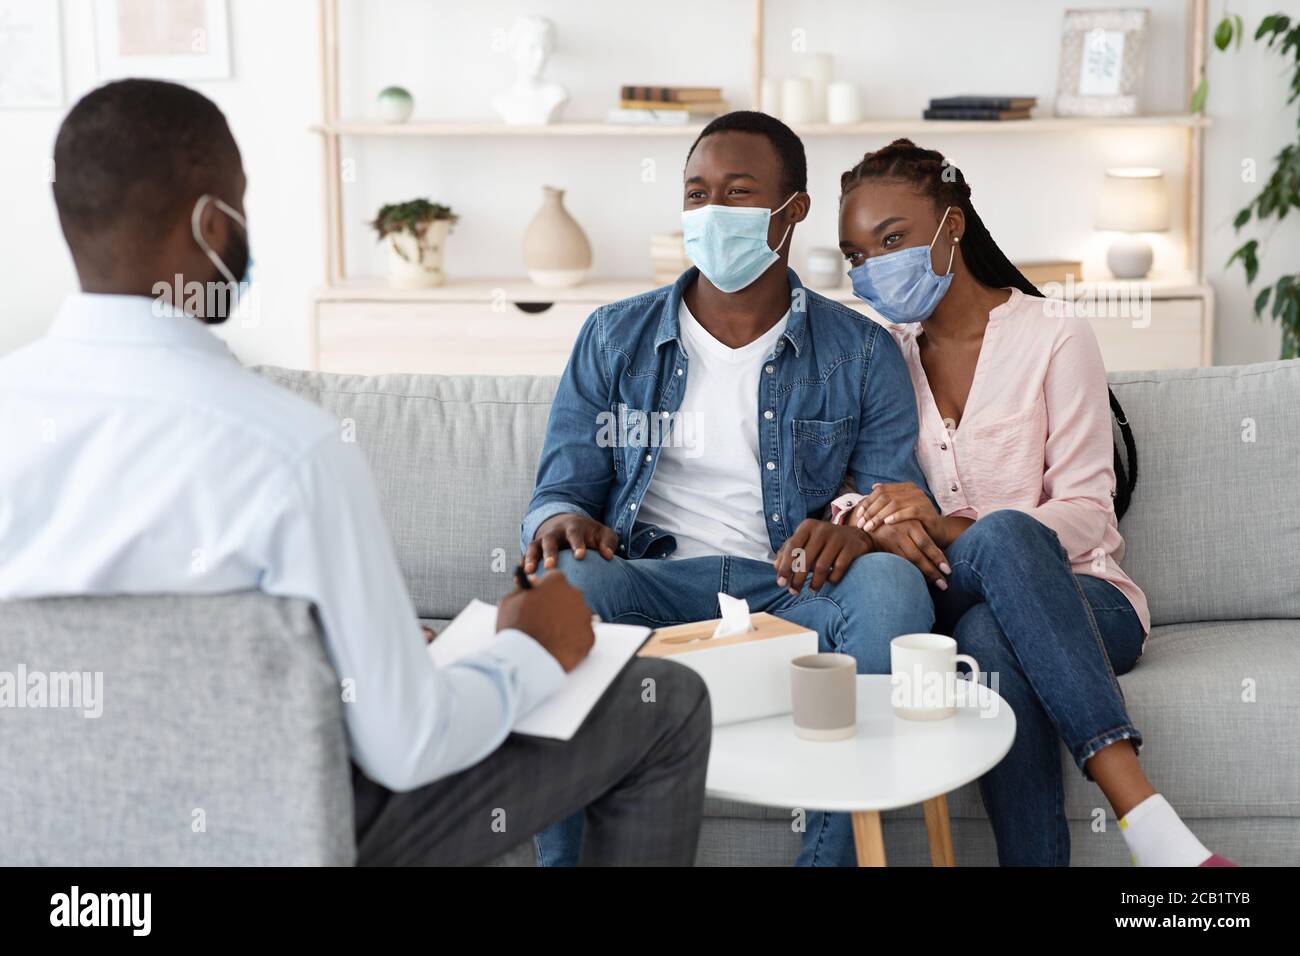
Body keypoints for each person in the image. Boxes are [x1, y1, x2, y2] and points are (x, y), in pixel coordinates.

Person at [0, 78, 711, 867]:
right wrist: (533, 651)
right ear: (212, 223)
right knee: (666, 704)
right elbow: (408, 746)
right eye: (240, 208)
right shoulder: (288, 451)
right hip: (289, 839)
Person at [523, 112, 936, 867]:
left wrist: (858, 530)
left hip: (787, 585)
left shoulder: (862, 351)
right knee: (562, 585)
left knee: (890, 589)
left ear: (793, 210)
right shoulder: (612, 337)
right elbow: (562, 489)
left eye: (739, 192)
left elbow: (893, 504)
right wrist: (559, 524)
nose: (712, 211)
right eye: (696, 192)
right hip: (650, 580)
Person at [832, 138, 1235, 867]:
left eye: (892, 240)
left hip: (1086, 597)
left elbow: (1086, 511)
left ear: (953, 224)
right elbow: (846, 498)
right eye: (856, 255)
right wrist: (874, 520)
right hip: (944, 598)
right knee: (983, 613)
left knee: (995, 621)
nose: (872, 267)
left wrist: (949, 524)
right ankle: (1152, 825)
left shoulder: (1055, 336)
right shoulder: (876, 356)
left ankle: (1129, 820)